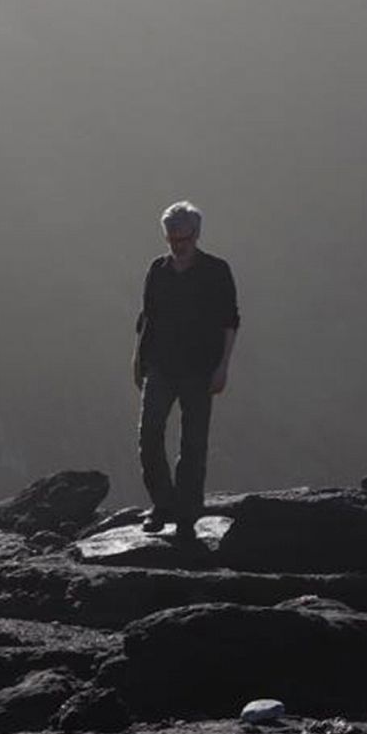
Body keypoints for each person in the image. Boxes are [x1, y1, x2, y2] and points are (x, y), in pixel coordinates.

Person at [132, 200, 239, 542]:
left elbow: (229, 321)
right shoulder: (158, 270)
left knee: (193, 444)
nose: (178, 245)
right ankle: (162, 505)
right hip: (160, 365)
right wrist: (138, 360)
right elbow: (146, 317)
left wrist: (223, 367)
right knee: (149, 434)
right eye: (172, 239)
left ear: (196, 235)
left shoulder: (216, 271)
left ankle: (187, 514)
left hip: (199, 369)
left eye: (184, 238)